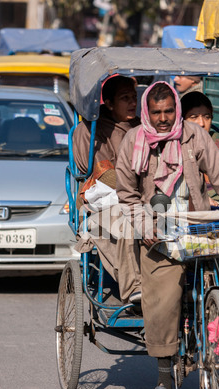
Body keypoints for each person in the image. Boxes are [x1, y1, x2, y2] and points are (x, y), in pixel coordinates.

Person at [115, 81, 219, 389]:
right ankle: (165, 379)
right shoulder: (134, 141)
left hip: (195, 224)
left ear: (176, 109)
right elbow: (127, 195)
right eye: (157, 112)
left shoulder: (194, 134)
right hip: (158, 231)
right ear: (147, 112)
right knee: (162, 296)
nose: (164, 119)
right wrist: (144, 226)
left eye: (168, 111)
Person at [73, 75, 142, 304]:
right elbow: (95, 171)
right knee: (126, 225)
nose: (132, 102)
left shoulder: (143, 127)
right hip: (103, 203)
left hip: (139, 199)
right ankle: (133, 286)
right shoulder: (91, 129)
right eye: (125, 98)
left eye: (134, 97)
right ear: (109, 103)